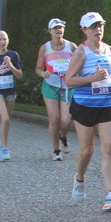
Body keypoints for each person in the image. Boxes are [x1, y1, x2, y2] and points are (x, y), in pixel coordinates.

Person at [65, 12, 111, 210]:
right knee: (87, 150)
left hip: (108, 103)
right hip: (85, 105)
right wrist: (92, 78)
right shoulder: (81, 52)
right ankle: (80, 178)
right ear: (84, 30)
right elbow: (69, 79)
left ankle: (110, 195)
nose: (98, 29)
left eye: (100, 25)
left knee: (109, 148)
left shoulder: (110, 50)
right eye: (93, 26)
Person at [35, 18, 77, 161]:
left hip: (68, 86)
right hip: (51, 85)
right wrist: (43, 73)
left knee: (66, 121)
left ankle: (63, 137)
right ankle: (56, 150)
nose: (58, 30)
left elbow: (80, 64)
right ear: (50, 31)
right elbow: (38, 68)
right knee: (54, 119)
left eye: (60, 28)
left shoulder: (71, 46)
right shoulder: (45, 47)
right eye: (55, 28)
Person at [0, 31, 22, 161]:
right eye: (0, 39)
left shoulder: (13, 55)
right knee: (5, 118)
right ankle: (4, 148)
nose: (2, 42)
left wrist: (10, 65)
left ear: (8, 41)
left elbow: (19, 75)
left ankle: (2, 143)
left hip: (10, 91)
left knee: (7, 120)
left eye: (4, 39)